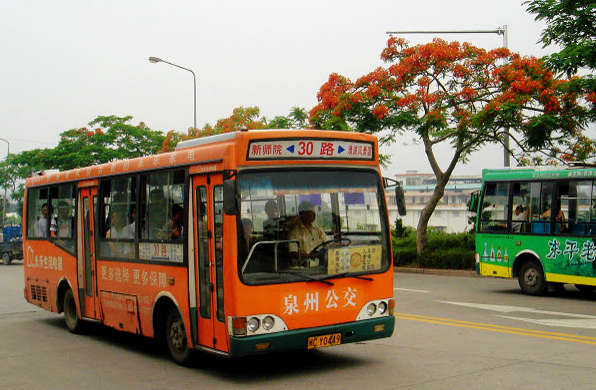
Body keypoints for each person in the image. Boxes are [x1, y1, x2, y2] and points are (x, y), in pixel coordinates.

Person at [287, 201, 329, 265]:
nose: (314, 214)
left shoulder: (317, 229)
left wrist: (344, 246)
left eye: (314, 211)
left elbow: (329, 243)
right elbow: (293, 253)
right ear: (304, 214)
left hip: (320, 266)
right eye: (311, 212)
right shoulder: (295, 232)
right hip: (304, 269)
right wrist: (308, 256)